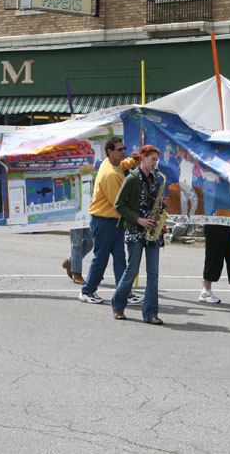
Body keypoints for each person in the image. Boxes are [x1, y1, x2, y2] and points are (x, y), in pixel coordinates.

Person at [79, 137, 141, 304]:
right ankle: (87, 290)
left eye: (124, 148)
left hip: (113, 221)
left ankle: (124, 292)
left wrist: (133, 161)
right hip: (104, 220)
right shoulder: (111, 175)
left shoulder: (112, 163)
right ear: (110, 152)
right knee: (101, 258)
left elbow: (123, 164)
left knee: (120, 257)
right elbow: (119, 203)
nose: (124, 152)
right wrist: (138, 215)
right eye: (120, 150)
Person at [110, 145, 165, 324]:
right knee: (132, 270)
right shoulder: (132, 179)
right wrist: (139, 219)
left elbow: (154, 204)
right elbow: (119, 205)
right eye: (152, 159)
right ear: (142, 158)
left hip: (152, 231)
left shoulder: (156, 180)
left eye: (156, 160)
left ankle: (150, 313)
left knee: (153, 273)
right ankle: (118, 305)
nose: (154, 163)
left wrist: (162, 204)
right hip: (135, 229)